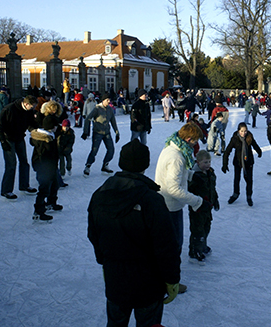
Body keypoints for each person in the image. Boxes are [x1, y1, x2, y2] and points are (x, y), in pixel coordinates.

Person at [88, 139, 181, 327]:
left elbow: (93, 233)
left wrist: (105, 261)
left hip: (116, 279)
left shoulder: (100, 194)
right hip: (147, 283)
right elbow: (166, 245)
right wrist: (172, 279)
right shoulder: (152, 200)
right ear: (145, 165)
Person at [155, 122, 203, 292]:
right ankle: (170, 283)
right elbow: (173, 188)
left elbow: (174, 175)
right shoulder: (176, 156)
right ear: (188, 139)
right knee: (174, 246)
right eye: (195, 141)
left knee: (171, 245)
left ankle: (167, 279)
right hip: (170, 206)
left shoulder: (172, 146)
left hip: (167, 205)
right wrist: (196, 200)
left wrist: (190, 174)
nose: (195, 145)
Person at [0, 95, 39, 200]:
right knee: (11, 164)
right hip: (8, 138)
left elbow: (31, 124)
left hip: (19, 137)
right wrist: (3, 141)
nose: (33, 108)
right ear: (26, 104)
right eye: (32, 106)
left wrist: (36, 132)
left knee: (24, 162)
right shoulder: (9, 109)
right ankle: (6, 190)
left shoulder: (28, 111)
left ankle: (24, 185)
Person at [187, 150, 220, 262]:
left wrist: (215, 200)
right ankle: (195, 250)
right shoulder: (194, 176)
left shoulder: (210, 173)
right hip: (197, 208)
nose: (208, 165)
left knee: (206, 226)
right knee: (197, 229)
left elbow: (212, 188)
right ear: (198, 162)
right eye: (205, 162)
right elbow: (189, 190)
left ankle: (202, 245)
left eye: (209, 162)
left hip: (208, 206)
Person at [30, 116, 62, 221]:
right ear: (51, 127)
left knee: (55, 184)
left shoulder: (49, 135)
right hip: (44, 168)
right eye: (56, 126)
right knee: (44, 189)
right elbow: (41, 156)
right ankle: (39, 211)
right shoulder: (44, 140)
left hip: (51, 167)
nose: (58, 127)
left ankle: (51, 203)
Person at [223, 122, 263, 206]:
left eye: (245, 131)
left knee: (249, 180)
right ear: (238, 131)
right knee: (237, 179)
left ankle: (249, 196)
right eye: (241, 131)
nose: (243, 133)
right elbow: (227, 151)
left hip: (248, 162)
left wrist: (259, 152)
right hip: (238, 162)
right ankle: (235, 194)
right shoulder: (235, 138)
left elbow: (255, 145)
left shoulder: (249, 137)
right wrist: (225, 164)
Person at [82, 94, 120, 177]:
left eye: (109, 100)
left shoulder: (110, 109)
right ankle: (88, 166)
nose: (109, 101)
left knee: (111, 150)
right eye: (107, 100)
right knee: (94, 150)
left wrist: (117, 132)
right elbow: (87, 119)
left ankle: (105, 165)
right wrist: (85, 132)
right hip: (97, 133)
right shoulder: (97, 109)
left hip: (107, 133)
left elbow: (113, 121)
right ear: (103, 100)